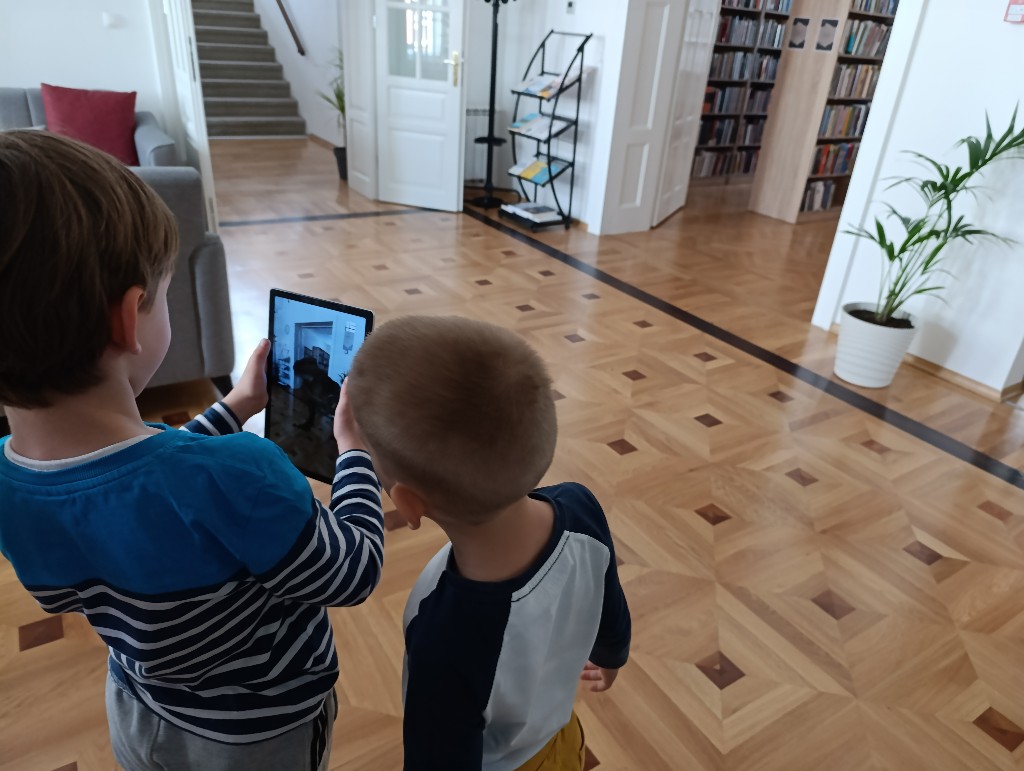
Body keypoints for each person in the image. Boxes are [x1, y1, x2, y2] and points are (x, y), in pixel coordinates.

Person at [0, 131, 385, 771]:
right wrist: (355, 454)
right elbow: (352, 573)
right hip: (256, 734)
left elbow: (142, 482)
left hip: (139, 706)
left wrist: (235, 406)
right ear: (129, 318)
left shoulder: (12, 480)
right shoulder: (242, 476)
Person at [347, 315, 632, 770]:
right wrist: (611, 656)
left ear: (408, 505)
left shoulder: (443, 633)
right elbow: (609, 602)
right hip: (562, 741)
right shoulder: (581, 507)